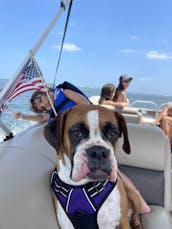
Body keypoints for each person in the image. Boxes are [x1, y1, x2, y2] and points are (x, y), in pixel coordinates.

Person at [99, 84, 151, 214]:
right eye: (114, 93)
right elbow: (123, 106)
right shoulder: (108, 104)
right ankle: (137, 198)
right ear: (110, 94)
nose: (115, 95)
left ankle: (136, 198)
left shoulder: (101, 105)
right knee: (116, 171)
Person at [14, 83, 90, 122]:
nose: (44, 104)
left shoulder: (66, 93)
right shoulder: (52, 113)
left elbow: (86, 105)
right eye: (43, 108)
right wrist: (23, 116)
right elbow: (41, 118)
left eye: (40, 100)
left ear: (45, 91)